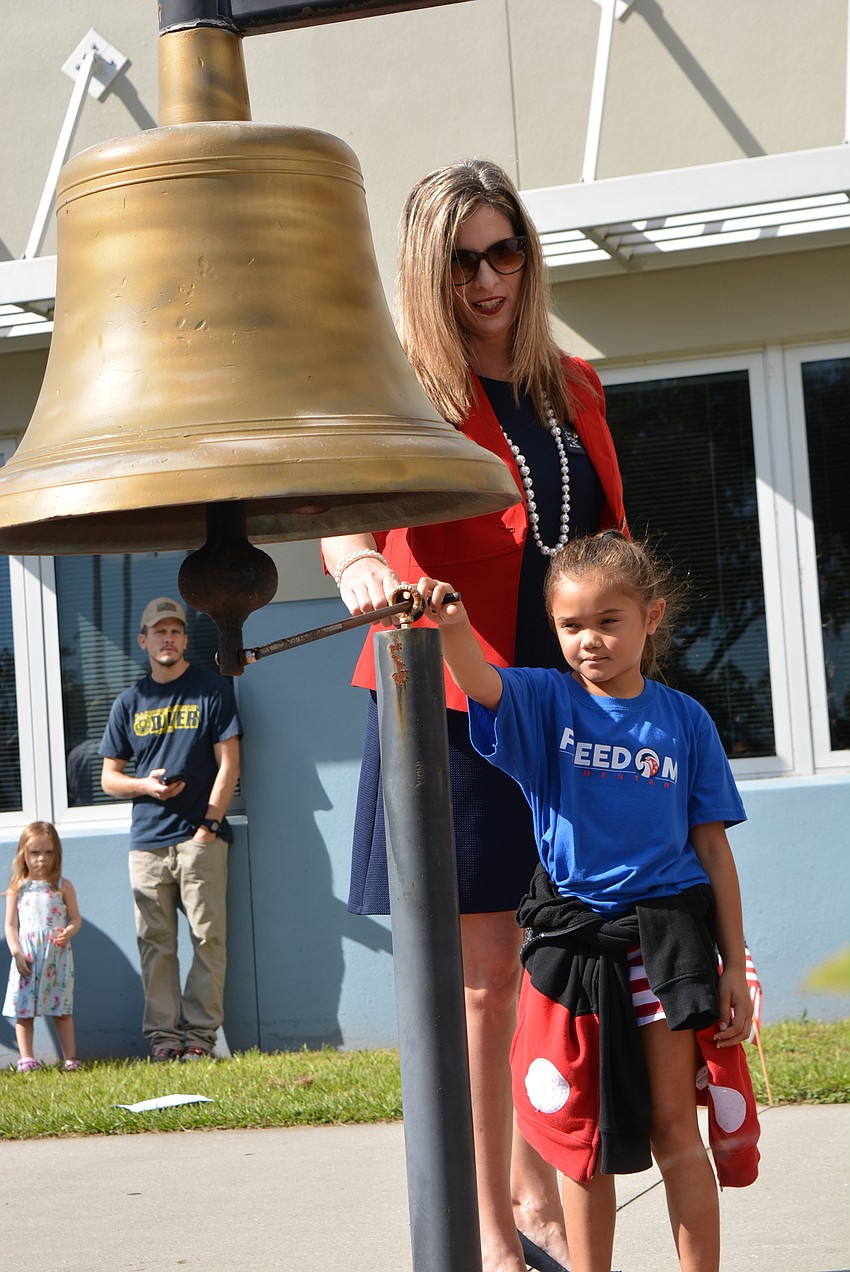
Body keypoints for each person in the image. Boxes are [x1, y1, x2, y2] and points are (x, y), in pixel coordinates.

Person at [321, 159, 628, 1272]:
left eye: (508, 252)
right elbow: (344, 518)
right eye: (464, 260)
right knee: (485, 980)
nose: (490, 278)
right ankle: (493, 1230)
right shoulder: (399, 387)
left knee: (558, 965)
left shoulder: (574, 387)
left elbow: (608, 551)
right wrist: (356, 565)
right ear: (427, 268)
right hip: (449, 704)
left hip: (564, 714)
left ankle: (534, 1196)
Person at [417, 530, 760, 1272]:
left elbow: (712, 851)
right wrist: (451, 626)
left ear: (652, 617)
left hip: (667, 948)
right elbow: (480, 681)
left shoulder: (685, 721)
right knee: (583, 1141)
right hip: (574, 952)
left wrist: (735, 964)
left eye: (610, 620)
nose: (591, 640)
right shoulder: (546, 702)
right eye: (572, 625)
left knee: (675, 1129)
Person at [99, 596, 241, 1063]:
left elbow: (229, 763)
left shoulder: (211, 689)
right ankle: (164, 1041)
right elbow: (109, 776)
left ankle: (199, 1037)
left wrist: (209, 826)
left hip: (200, 838)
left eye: (176, 631)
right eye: (159, 631)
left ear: (184, 639)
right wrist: (145, 785)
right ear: (144, 641)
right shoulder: (129, 701)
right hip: (147, 843)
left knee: (208, 939)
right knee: (155, 945)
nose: (168, 638)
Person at [3, 821, 82, 1072]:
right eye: (35, 853)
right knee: (24, 1011)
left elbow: (75, 918)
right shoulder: (18, 888)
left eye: (48, 852)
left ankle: (70, 1058)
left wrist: (68, 932)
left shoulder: (62, 886)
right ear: (23, 854)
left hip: (56, 956)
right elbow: (10, 925)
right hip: (27, 957)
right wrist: (16, 952)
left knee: (62, 1010)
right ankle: (27, 1059)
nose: (42, 859)